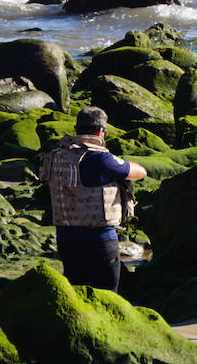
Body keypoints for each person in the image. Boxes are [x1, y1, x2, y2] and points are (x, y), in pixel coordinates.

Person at [39, 106, 146, 292]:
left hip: (65, 239)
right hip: (99, 239)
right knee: (107, 296)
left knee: (77, 294)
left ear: (76, 128)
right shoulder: (100, 158)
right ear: (101, 132)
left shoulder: (54, 156)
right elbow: (140, 172)